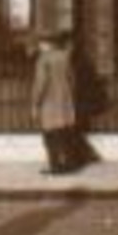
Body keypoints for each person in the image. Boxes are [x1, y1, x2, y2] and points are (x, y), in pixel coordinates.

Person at [32, 31, 83, 175]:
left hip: (49, 104)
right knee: (65, 134)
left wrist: (35, 104)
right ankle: (69, 164)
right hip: (65, 103)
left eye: (40, 44)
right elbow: (72, 80)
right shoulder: (65, 57)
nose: (39, 47)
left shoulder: (43, 59)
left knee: (50, 136)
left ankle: (55, 166)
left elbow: (40, 83)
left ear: (45, 44)